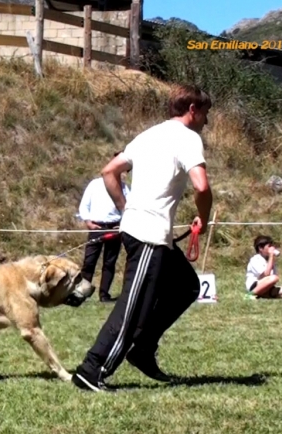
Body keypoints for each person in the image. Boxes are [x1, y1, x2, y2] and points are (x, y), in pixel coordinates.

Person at [71, 84, 213, 392]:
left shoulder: (147, 135)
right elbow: (201, 186)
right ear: (192, 110)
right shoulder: (188, 138)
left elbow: (110, 171)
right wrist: (205, 214)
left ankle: (143, 348)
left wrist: (126, 209)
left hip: (145, 230)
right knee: (133, 305)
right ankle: (91, 370)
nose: (206, 121)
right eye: (205, 114)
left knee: (185, 286)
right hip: (147, 235)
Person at [77, 153, 130, 302]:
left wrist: (122, 224)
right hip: (96, 227)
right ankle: (83, 292)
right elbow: (84, 205)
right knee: (89, 261)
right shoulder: (95, 184)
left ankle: (104, 295)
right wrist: (88, 222)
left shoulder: (125, 188)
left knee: (109, 262)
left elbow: (129, 208)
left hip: (115, 227)